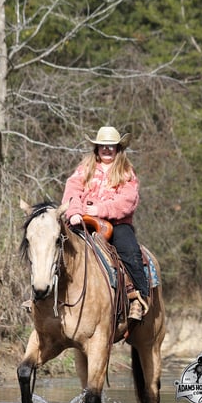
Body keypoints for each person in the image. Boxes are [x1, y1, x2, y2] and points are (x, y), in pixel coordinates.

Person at [62, 126, 149, 320]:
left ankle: (139, 298)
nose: (107, 150)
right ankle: (43, 296)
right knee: (56, 244)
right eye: (103, 146)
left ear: (118, 148)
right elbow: (72, 190)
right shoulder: (84, 169)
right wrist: (74, 211)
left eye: (111, 146)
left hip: (117, 223)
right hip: (82, 220)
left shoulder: (126, 172)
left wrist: (101, 210)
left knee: (130, 251)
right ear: (97, 147)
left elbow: (128, 200)